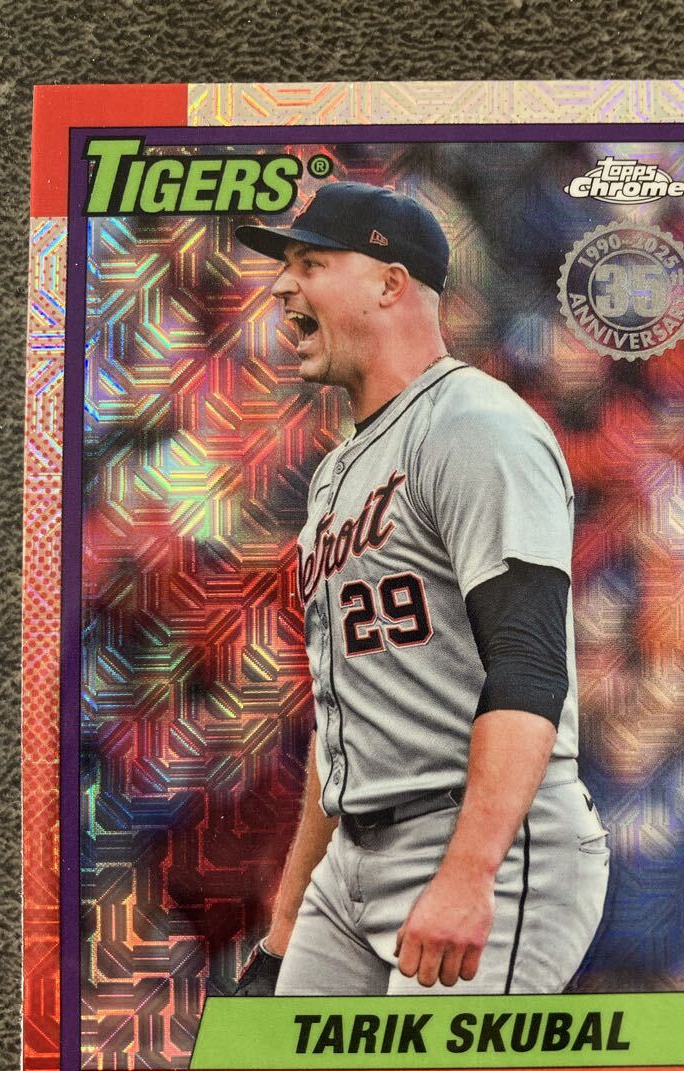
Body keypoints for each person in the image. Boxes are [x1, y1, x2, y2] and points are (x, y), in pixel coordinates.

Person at [232, 180, 609, 996]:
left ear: (389, 282)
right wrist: (287, 925)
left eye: (309, 263)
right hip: (352, 858)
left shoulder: (476, 426)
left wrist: (470, 874)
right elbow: (345, 724)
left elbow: (530, 665)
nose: (282, 285)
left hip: (484, 839)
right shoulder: (335, 476)